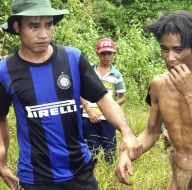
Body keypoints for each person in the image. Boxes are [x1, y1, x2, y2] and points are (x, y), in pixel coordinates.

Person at [0, 0, 142, 189]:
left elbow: (103, 98)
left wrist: (126, 132)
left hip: (80, 172)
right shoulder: (5, 71)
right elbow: (1, 119)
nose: (43, 34)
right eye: (34, 26)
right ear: (17, 26)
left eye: (48, 24)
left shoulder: (72, 59)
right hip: (35, 177)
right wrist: (1, 162)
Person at [115, 11, 192, 190]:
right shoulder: (158, 84)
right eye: (164, 49)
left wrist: (190, 93)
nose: (170, 58)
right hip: (179, 170)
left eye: (178, 49)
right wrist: (127, 153)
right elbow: (152, 132)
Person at [81, 38, 126, 164]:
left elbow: (122, 97)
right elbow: (79, 91)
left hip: (108, 119)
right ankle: (92, 175)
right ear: (97, 53)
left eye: (109, 53)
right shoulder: (89, 70)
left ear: (114, 54)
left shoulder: (116, 75)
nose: (106, 56)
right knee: (91, 149)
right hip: (88, 117)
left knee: (110, 149)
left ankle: (110, 176)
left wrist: (110, 108)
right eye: (103, 53)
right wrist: (89, 110)